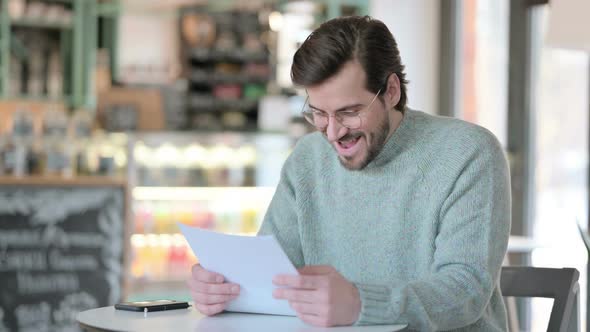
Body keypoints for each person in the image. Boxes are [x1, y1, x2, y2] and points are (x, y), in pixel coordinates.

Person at [187, 15, 511, 331]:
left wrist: (360, 304)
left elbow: (465, 292)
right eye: (318, 114)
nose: (332, 133)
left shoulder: (470, 153)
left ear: (391, 91)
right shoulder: (307, 161)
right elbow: (272, 278)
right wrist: (228, 288)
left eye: (349, 112)